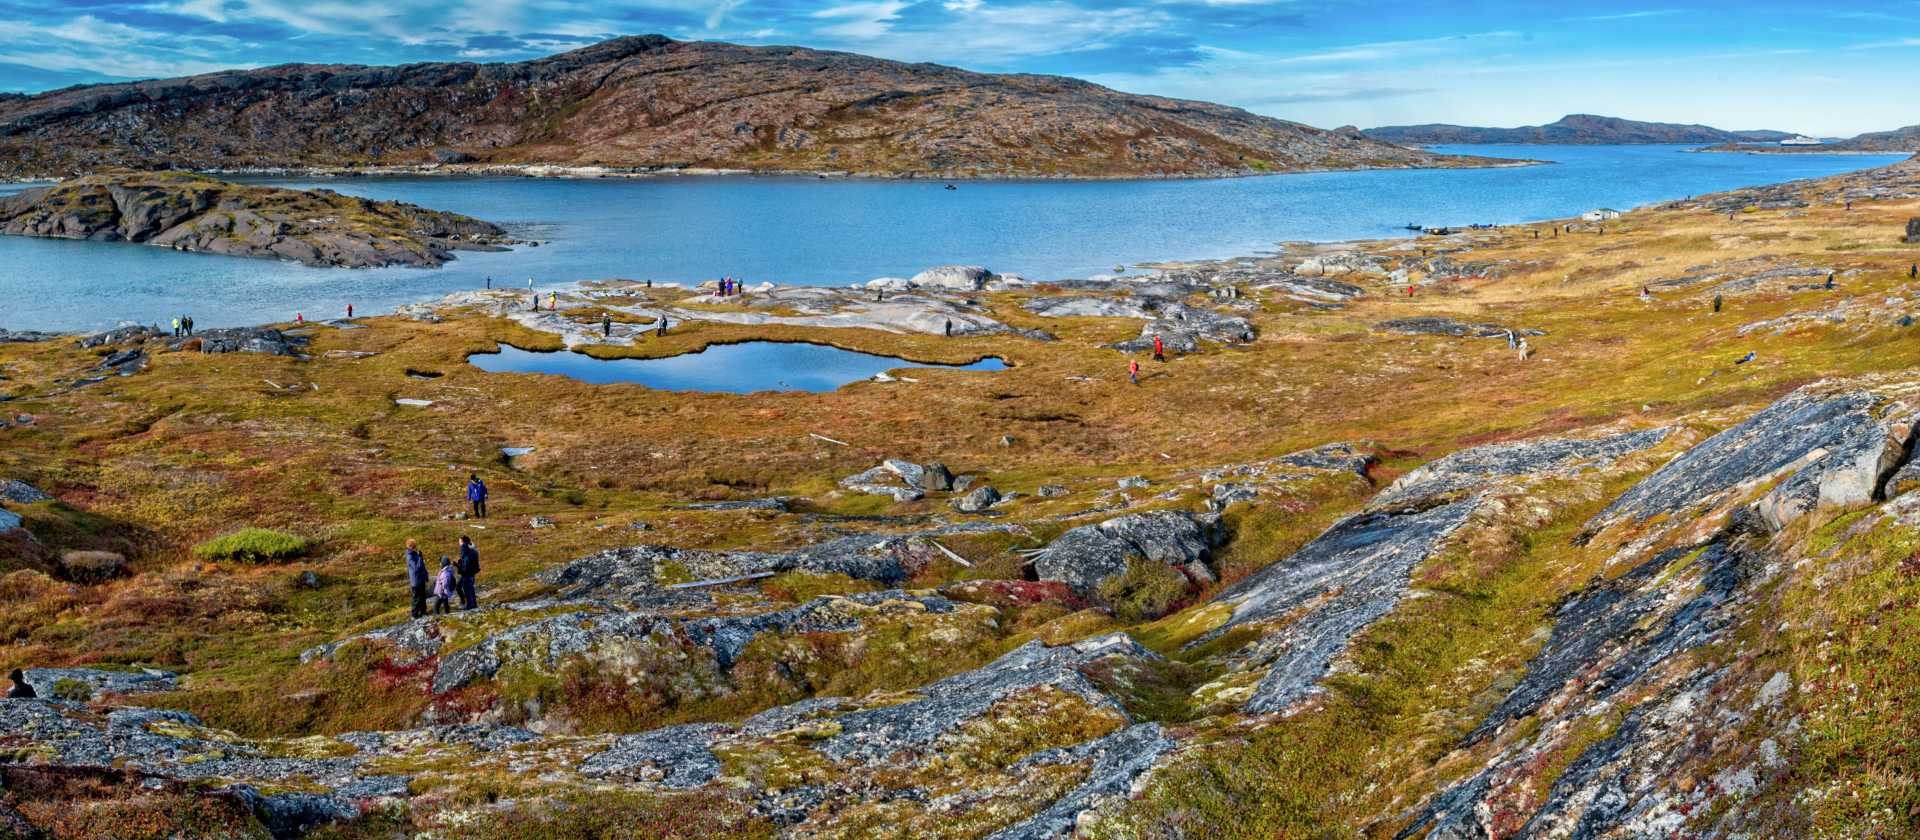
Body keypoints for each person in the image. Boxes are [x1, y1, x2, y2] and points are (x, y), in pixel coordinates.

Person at [405, 540, 428, 619]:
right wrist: (420, 558)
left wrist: (425, 575)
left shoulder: (414, 554)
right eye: (414, 546)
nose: (415, 547)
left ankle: (423, 612)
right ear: (411, 546)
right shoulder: (409, 556)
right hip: (416, 581)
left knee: (422, 596)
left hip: (420, 579)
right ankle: (414, 614)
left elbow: (421, 566)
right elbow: (416, 568)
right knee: (416, 598)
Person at [457, 536, 480, 610]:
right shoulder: (473, 551)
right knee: (471, 589)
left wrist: (458, 566)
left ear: (463, 542)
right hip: (472, 573)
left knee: (467, 590)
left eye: (460, 542)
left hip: (467, 574)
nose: (459, 544)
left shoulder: (465, 550)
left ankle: (470, 606)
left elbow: (465, 566)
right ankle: (473, 604)